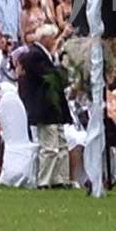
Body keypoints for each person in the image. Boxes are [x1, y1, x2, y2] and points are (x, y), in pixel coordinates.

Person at [18, 24, 74, 188]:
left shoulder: (45, 55)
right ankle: (44, 180)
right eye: (53, 37)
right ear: (45, 38)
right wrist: (61, 71)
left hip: (55, 106)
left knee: (61, 144)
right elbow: (50, 78)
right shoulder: (34, 55)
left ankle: (60, 178)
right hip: (44, 106)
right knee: (49, 147)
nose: (55, 40)